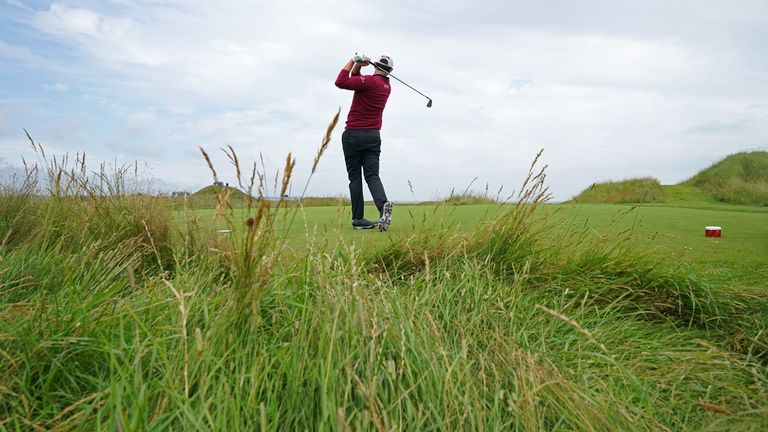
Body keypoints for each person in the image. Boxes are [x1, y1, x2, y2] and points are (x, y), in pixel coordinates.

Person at [334, 53, 395, 231]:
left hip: (353, 135)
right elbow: (356, 80)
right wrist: (359, 66)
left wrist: (353, 59)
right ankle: (383, 205)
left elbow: (341, 82)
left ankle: (358, 219)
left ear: (376, 65)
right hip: (373, 137)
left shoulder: (369, 82)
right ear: (391, 70)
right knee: (372, 175)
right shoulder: (386, 86)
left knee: (355, 178)